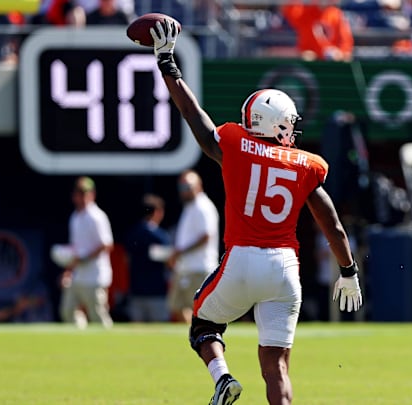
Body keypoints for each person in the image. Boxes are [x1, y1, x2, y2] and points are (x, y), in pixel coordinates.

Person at [149, 19, 363, 404]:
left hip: (242, 260)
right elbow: (331, 224)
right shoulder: (305, 164)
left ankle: (222, 379)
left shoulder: (234, 143)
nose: (293, 130)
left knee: (203, 326)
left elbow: (194, 116)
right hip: (285, 268)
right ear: (278, 123)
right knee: (276, 367)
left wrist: (169, 66)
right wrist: (348, 271)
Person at [59, 176, 114, 329]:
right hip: (78, 277)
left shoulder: (97, 216)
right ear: (74, 196)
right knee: (68, 311)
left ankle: (109, 347)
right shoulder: (75, 217)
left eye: (86, 193)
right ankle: (81, 341)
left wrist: (84, 258)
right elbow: (75, 249)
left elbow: (106, 244)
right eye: (79, 193)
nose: (83, 197)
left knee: (98, 316)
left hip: (95, 277)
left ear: (92, 194)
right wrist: (68, 271)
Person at [166, 170, 220, 325]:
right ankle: (192, 336)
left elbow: (206, 236)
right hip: (185, 267)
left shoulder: (203, 207)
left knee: (198, 310)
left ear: (199, 186)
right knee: (177, 306)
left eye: (188, 187)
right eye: (182, 187)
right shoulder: (191, 206)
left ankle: (200, 338)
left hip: (199, 268)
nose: (184, 191)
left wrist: (179, 252)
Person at [123, 194, 172, 323]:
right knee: (160, 333)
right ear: (157, 212)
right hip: (156, 293)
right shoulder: (161, 237)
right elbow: (170, 262)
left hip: (136, 291)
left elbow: (126, 260)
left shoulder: (132, 234)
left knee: (137, 335)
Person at [281, 0, 354, 61]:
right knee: (306, 58)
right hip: (310, 57)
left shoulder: (336, 14)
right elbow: (290, 10)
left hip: (332, 60)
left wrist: (341, 53)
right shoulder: (305, 13)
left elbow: (346, 42)